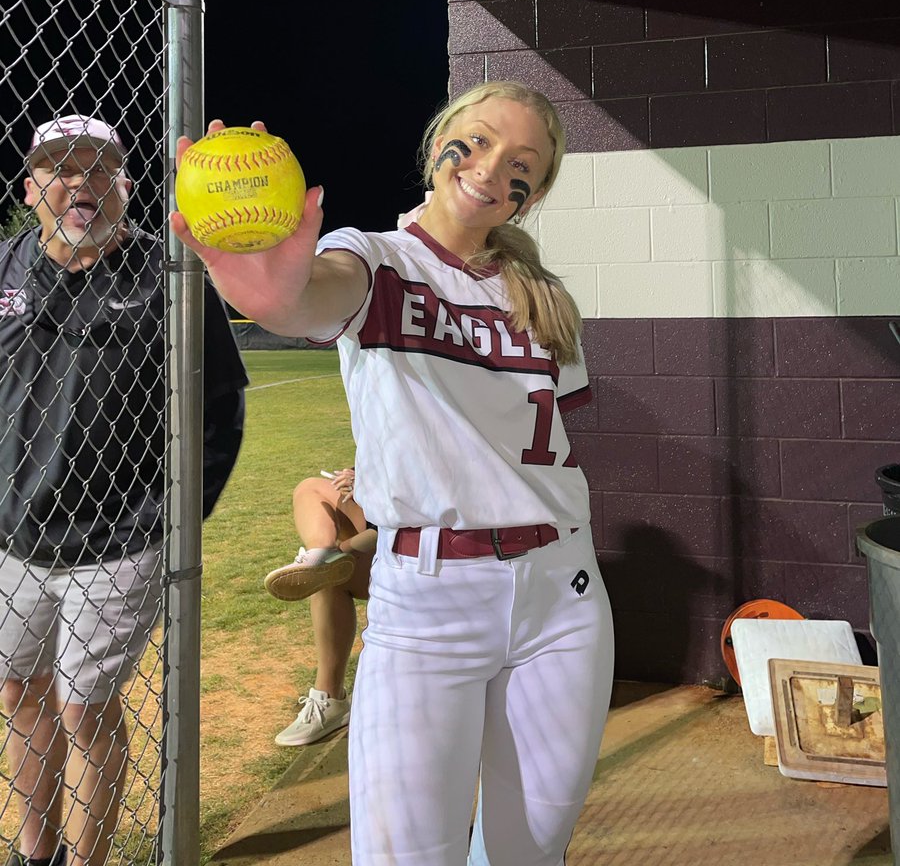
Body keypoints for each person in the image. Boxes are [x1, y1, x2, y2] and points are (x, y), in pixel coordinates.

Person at [173, 82, 615, 866]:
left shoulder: (546, 299)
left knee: (531, 851)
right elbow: (311, 298)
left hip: (564, 596)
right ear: (438, 141)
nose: (488, 168)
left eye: (521, 163)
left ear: (533, 193)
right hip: (429, 603)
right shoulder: (375, 258)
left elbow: (525, 445)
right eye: (474, 141)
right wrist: (272, 288)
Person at [0, 115, 247, 866]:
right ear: (31, 187)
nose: (81, 181)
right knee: (17, 696)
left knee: (85, 708)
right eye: (60, 167)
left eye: (100, 167)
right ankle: (35, 852)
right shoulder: (6, 266)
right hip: (15, 537)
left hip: (119, 540)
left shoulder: (167, 276)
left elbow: (221, 409)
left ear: (127, 186)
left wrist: (174, 521)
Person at [264, 467, 376, 747]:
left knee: (334, 568)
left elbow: (402, 523)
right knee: (310, 487)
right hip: (393, 533)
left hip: (429, 553)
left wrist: (345, 548)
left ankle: (324, 559)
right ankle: (318, 556)